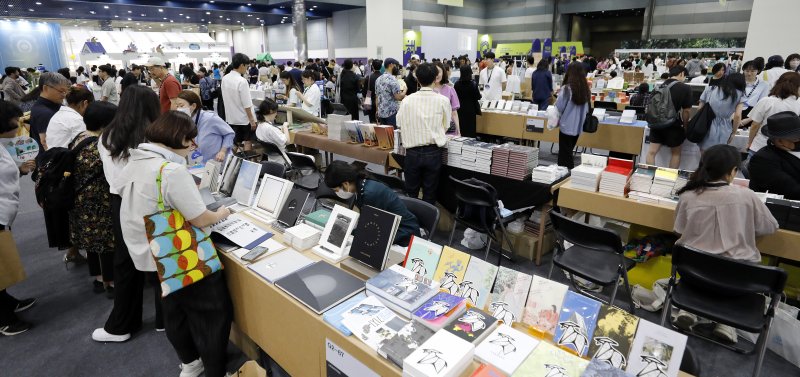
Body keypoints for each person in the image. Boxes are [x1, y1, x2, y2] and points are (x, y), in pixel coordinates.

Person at [117, 111, 232, 377]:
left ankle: (190, 362)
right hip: (184, 253)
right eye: (191, 140)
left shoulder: (134, 161)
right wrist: (223, 213)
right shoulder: (170, 171)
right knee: (212, 313)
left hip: (155, 253)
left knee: (175, 310)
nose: (194, 146)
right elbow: (201, 218)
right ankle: (216, 370)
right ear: (178, 137)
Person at [673, 144, 778, 342]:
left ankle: (688, 311)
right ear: (732, 172)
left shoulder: (688, 196)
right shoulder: (747, 196)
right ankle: (726, 324)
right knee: (731, 271)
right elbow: (770, 227)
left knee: (705, 267)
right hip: (737, 284)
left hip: (693, 276)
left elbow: (679, 230)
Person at [93, 85, 162, 343]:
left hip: (122, 202)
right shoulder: (157, 134)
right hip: (156, 201)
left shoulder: (109, 136)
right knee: (162, 256)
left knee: (126, 263)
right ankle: (165, 320)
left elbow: (115, 178)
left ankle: (122, 325)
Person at [69, 101, 118, 297]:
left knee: (92, 244)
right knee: (107, 243)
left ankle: (98, 278)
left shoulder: (79, 138)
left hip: (80, 200)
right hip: (99, 201)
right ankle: (111, 283)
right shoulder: (100, 145)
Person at [0, 101, 37, 336]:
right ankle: (4, 319)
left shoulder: (3, 144)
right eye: (16, 121)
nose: (19, 125)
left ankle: (6, 301)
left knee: (3, 261)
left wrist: (21, 170)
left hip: (5, 211)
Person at [324, 161, 421, 246]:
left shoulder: (369, 193)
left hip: (403, 234)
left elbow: (371, 227)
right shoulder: (361, 184)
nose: (337, 193)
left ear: (345, 184)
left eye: (336, 190)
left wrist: (346, 233)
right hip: (389, 227)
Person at [396, 63, 451, 205]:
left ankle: (412, 225)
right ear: (435, 78)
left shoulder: (407, 100)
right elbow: (445, 126)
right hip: (433, 152)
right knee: (430, 193)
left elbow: (399, 123)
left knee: (411, 193)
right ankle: (427, 225)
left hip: (412, 152)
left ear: (417, 80)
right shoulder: (443, 101)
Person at [646, 67, 693, 169]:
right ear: (681, 74)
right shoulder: (685, 88)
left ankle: (649, 176)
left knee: (651, 152)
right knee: (675, 153)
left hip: (656, 124)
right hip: (673, 125)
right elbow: (686, 111)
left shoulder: (659, 86)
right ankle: (669, 180)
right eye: (684, 76)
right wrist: (685, 126)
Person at [748, 112, 800, 199]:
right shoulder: (763, 160)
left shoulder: (794, 148)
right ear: (779, 141)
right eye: (796, 138)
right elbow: (791, 189)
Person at [747, 72, 800, 157]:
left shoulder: (766, 101)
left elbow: (755, 125)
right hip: (786, 148)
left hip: (759, 145)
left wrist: (749, 143)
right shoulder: (798, 103)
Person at [173, 90, 234, 163]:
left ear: (193, 106)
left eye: (181, 105)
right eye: (177, 106)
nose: (179, 109)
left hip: (217, 162)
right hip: (198, 163)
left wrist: (223, 151)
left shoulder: (210, 118)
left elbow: (229, 133)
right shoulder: (184, 121)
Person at [553, 63, 590, 169]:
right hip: (578, 127)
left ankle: (565, 176)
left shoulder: (566, 89)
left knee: (564, 155)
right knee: (568, 152)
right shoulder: (585, 90)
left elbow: (559, 107)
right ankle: (567, 174)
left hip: (566, 126)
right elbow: (587, 109)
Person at [696, 73, 744, 151]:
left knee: (704, 153)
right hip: (724, 126)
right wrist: (734, 132)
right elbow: (737, 116)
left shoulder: (711, 88)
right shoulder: (740, 94)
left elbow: (699, 108)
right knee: (718, 153)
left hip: (706, 123)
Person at [221, 53, 257, 152]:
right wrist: (252, 120)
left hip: (231, 117)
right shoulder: (242, 81)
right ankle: (247, 163)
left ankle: (231, 161)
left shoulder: (225, 78)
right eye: (246, 66)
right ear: (242, 65)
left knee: (235, 142)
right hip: (244, 118)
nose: (247, 69)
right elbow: (247, 104)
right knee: (248, 141)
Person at [29, 72, 71, 150]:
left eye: (65, 91)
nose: (64, 95)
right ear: (46, 88)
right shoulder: (44, 113)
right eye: (61, 91)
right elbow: (46, 144)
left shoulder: (54, 104)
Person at [375, 58, 405, 127]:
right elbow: (398, 97)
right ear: (391, 65)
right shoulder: (393, 79)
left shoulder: (378, 79)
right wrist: (405, 91)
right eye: (396, 66)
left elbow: (377, 97)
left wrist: (377, 111)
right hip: (391, 113)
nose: (397, 68)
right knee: (393, 135)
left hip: (381, 113)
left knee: (384, 136)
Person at [454, 65, 482, 138]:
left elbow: (455, 97)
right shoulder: (473, 84)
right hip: (471, 109)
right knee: (471, 129)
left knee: (462, 127)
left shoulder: (456, 84)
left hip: (460, 109)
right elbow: (478, 97)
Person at [364, 59, 383, 123]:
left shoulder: (368, 77)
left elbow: (364, 92)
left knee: (372, 121)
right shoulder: (383, 77)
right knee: (381, 122)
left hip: (370, 101)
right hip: (381, 102)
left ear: (372, 67)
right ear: (381, 66)